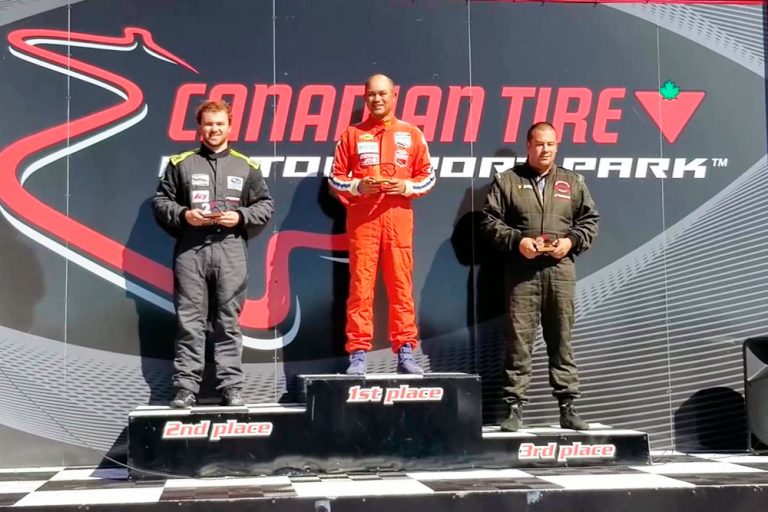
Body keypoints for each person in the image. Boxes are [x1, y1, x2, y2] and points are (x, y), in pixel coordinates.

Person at [152, 99, 274, 408]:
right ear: (200, 128)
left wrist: (241, 217)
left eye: (220, 123)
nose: (214, 129)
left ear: (230, 127)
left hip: (230, 248)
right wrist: (184, 215)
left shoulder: (247, 165)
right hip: (191, 249)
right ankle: (185, 389)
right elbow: (161, 202)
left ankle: (231, 388)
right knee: (190, 322)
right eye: (208, 124)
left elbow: (265, 205)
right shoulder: (181, 163)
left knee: (227, 322)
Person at [480, 121, 599, 431]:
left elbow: (590, 221)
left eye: (551, 144)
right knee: (519, 342)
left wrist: (570, 242)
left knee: (562, 339)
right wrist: (518, 241)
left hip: (560, 272)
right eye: (540, 144)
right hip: (522, 273)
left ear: (557, 146)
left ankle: (568, 407)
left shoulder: (573, 182)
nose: (546, 150)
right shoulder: (507, 181)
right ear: (528, 146)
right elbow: (489, 222)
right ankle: (513, 408)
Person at [329, 74, 436, 375]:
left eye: (382, 94)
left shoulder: (412, 134)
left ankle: (405, 352)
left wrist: (405, 187)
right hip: (363, 222)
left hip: (398, 220)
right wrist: (358, 186)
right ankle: (358, 354)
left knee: (401, 286)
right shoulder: (352, 134)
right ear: (365, 98)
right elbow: (336, 178)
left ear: (394, 96)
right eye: (371, 95)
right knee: (360, 288)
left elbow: (428, 176)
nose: (376, 99)